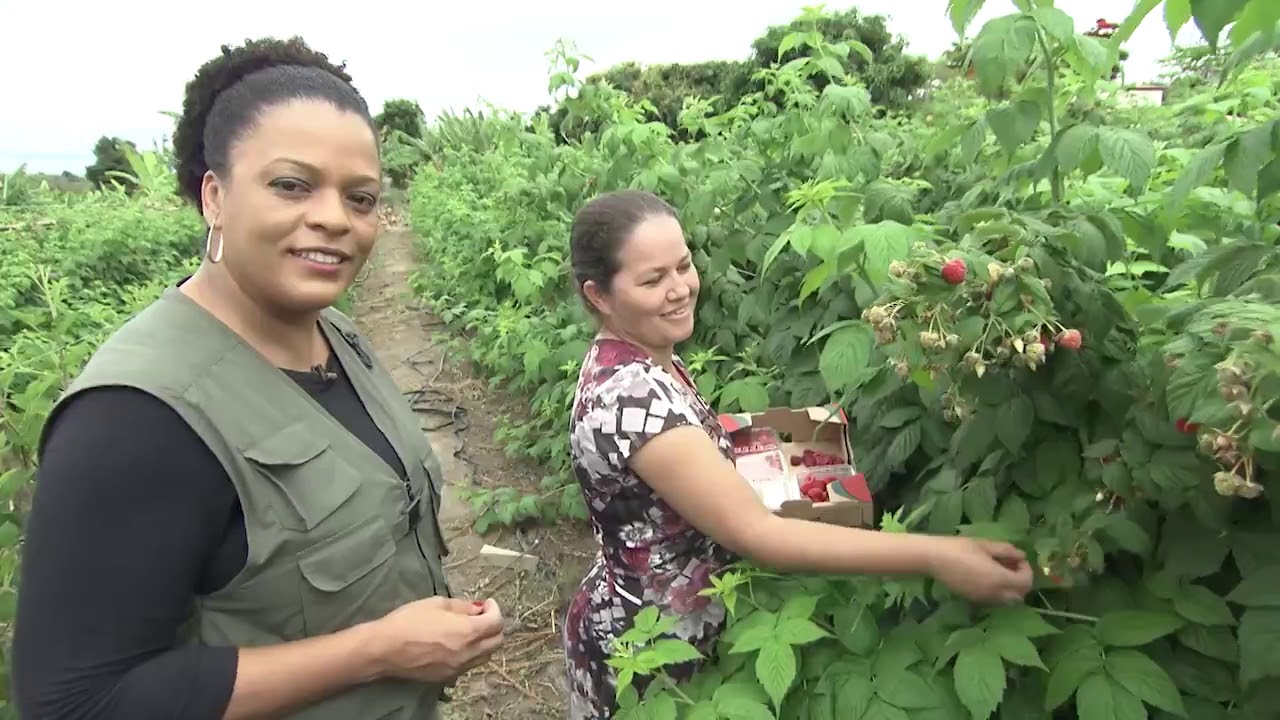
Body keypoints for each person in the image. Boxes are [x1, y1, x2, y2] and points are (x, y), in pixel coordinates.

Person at [12, 37, 504, 720]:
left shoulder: (337, 337)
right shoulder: (137, 418)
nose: (335, 217)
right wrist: (379, 651)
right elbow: (78, 701)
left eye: (360, 198)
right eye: (292, 185)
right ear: (215, 195)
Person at [561, 189, 1035, 718]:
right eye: (652, 280)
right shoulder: (630, 396)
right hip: (655, 658)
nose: (680, 289)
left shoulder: (642, 355)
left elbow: (679, 469)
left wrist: (796, 447)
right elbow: (762, 536)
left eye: (684, 265)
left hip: (672, 619)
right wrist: (939, 555)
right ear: (599, 295)